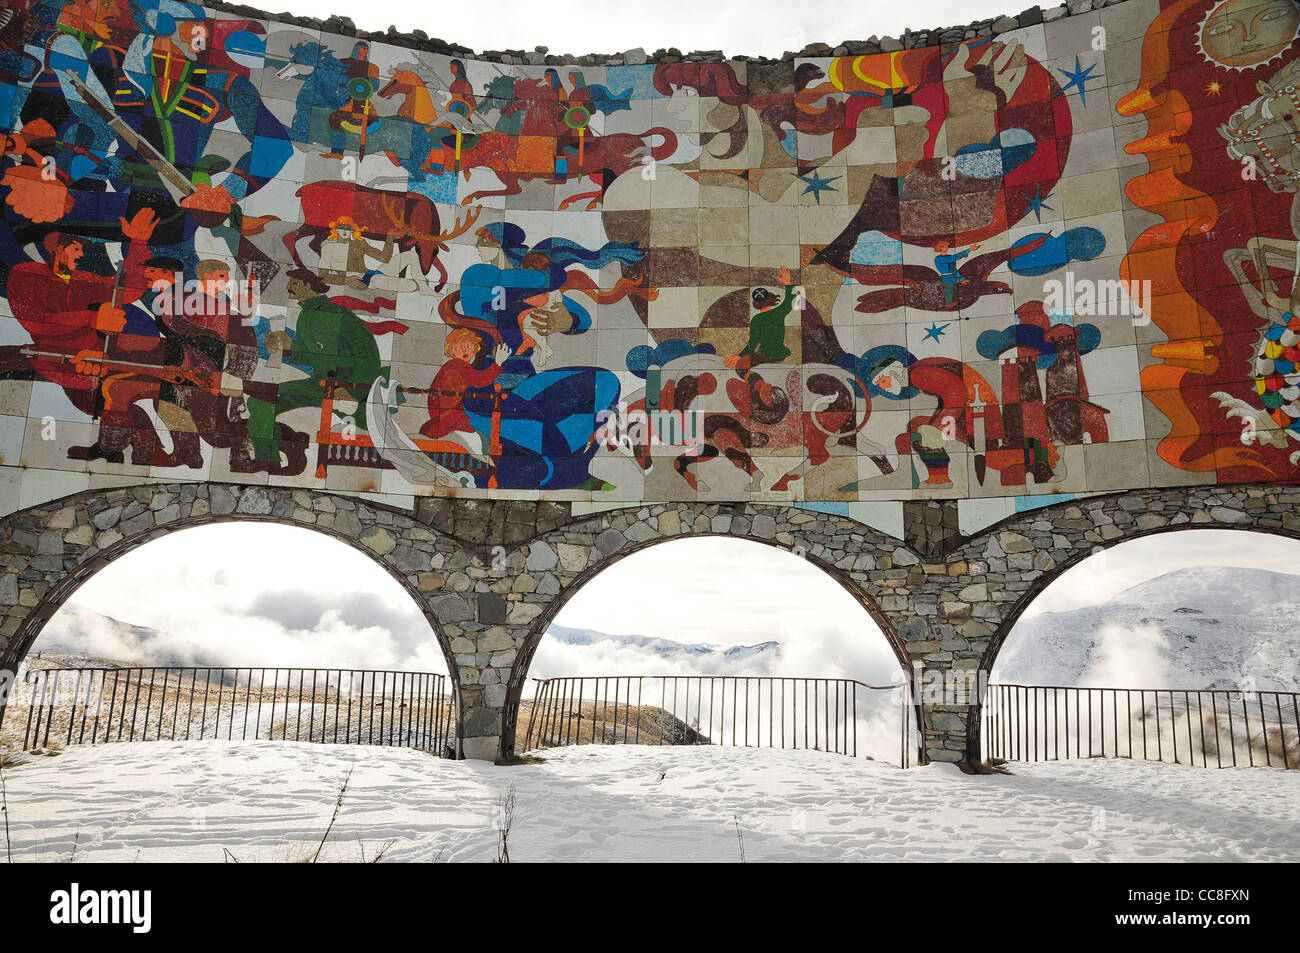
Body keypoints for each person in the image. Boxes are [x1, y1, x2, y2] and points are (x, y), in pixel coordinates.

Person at [420, 328, 512, 457]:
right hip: (448, 413)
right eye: (458, 348)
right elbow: (480, 380)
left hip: (444, 411)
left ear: (475, 349)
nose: (463, 351)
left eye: (468, 346)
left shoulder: (452, 365)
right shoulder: (457, 364)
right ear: (451, 352)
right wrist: (498, 362)